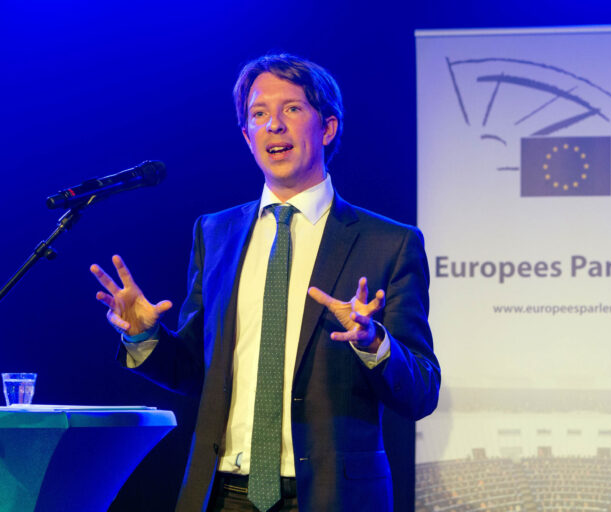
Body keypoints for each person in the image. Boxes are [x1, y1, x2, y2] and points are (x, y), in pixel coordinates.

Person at [90, 54, 440, 512]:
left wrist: (373, 342)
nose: (273, 124)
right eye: (258, 114)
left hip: (333, 497)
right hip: (224, 493)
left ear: (328, 128)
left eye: (292, 109)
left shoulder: (388, 243)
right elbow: (195, 369)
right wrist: (144, 336)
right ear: (246, 137)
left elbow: (422, 391)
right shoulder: (213, 233)